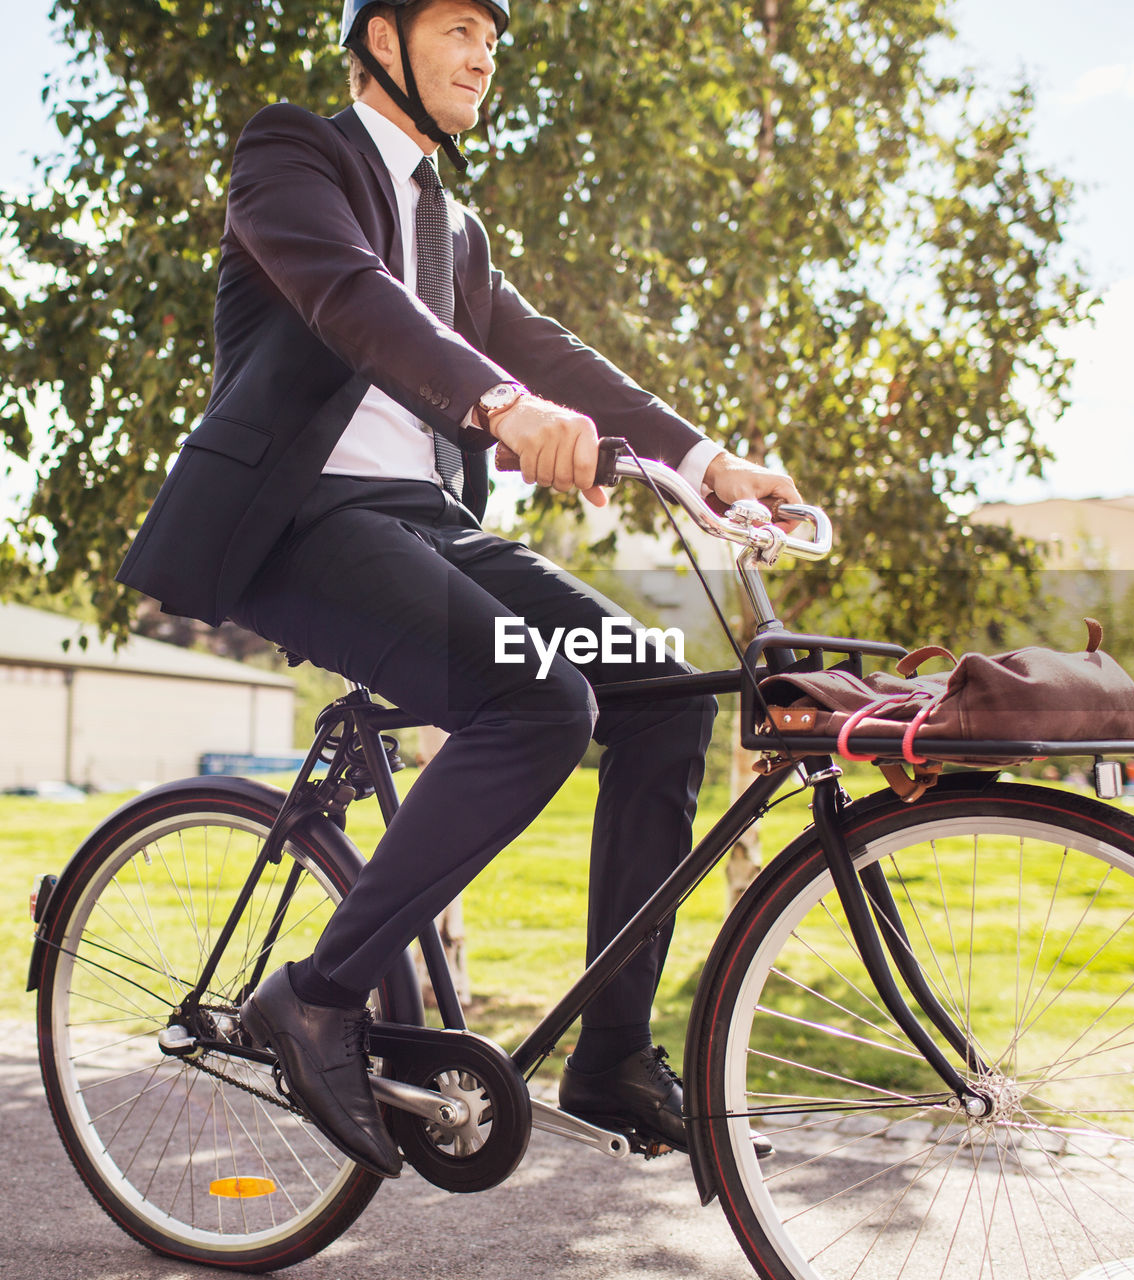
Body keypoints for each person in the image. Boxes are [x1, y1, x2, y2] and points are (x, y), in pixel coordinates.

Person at [117, 0, 800, 1179]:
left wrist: (704, 463)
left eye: (493, 33)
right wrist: (499, 409)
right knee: (535, 702)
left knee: (662, 689)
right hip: (296, 518)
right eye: (454, 25)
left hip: (424, 524)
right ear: (378, 38)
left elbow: (543, 349)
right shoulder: (293, 153)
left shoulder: (455, 224)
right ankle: (318, 996)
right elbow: (348, 296)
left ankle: (613, 1050)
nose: (484, 51)